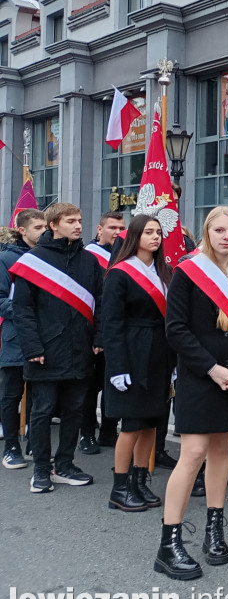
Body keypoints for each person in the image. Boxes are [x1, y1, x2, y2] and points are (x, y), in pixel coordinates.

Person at [156, 206, 228, 580]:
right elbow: (176, 330)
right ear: (207, 232)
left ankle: (213, 530)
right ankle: (168, 543)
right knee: (194, 453)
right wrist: (213, 369)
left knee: (222, 451)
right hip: (202, 377)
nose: (226, 237)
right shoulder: (188, 271)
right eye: (219, 230)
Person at [13, 202, 105, 494]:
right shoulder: (33, 260)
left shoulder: (89, 262)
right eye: (70, 221)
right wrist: (32, 347)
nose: (78, 225)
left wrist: (98, 339)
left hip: (81, 348)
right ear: (53, 225)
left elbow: (100, 303)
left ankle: (64, 465)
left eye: (79, 220)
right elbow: (22, 310)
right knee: (42, 411)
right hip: (45, 351)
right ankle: (41, 469)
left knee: (74, 410)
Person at [100, 214, 174, 512]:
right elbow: (112, 324)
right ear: (135, 237)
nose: (155, 237)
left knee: (152, 423)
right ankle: (120, 488)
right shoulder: (119, 273)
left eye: (158, 232)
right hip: (131, 352)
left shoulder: (166, 272)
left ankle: (139, 481)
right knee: (131, 423)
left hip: (160, 353)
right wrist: (117, 366)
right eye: (148, 232)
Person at [0, 209, 46, 470]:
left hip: (44, 337)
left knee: (41, 394)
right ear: (22, 230)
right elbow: (0, 300)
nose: (43, 231)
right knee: (11, 394)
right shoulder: (6, 259)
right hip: (16, 337)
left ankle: (35, 443)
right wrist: (28, 309)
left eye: (44, 227)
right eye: (37, 227)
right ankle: (11, 446)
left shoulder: (48, 258)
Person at [80, 210, 125, 454]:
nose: (117, 233)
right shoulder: (88, 257)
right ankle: (86, 433)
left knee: (113, 383)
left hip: (116, 330)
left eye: (121, 229)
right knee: (89, 385)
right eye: (112, 228)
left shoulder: (125, 256)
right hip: (92, 331)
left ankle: (109, 430)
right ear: (100, 229)